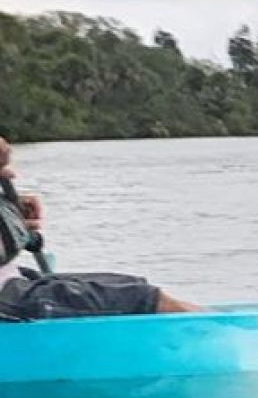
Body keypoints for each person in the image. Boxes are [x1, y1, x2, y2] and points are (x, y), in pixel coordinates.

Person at [0, 137, 201, 321]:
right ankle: (215, 335)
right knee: (141, 298)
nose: (11, 173)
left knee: (133, 285)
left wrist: (11, 217)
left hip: (13, 280)